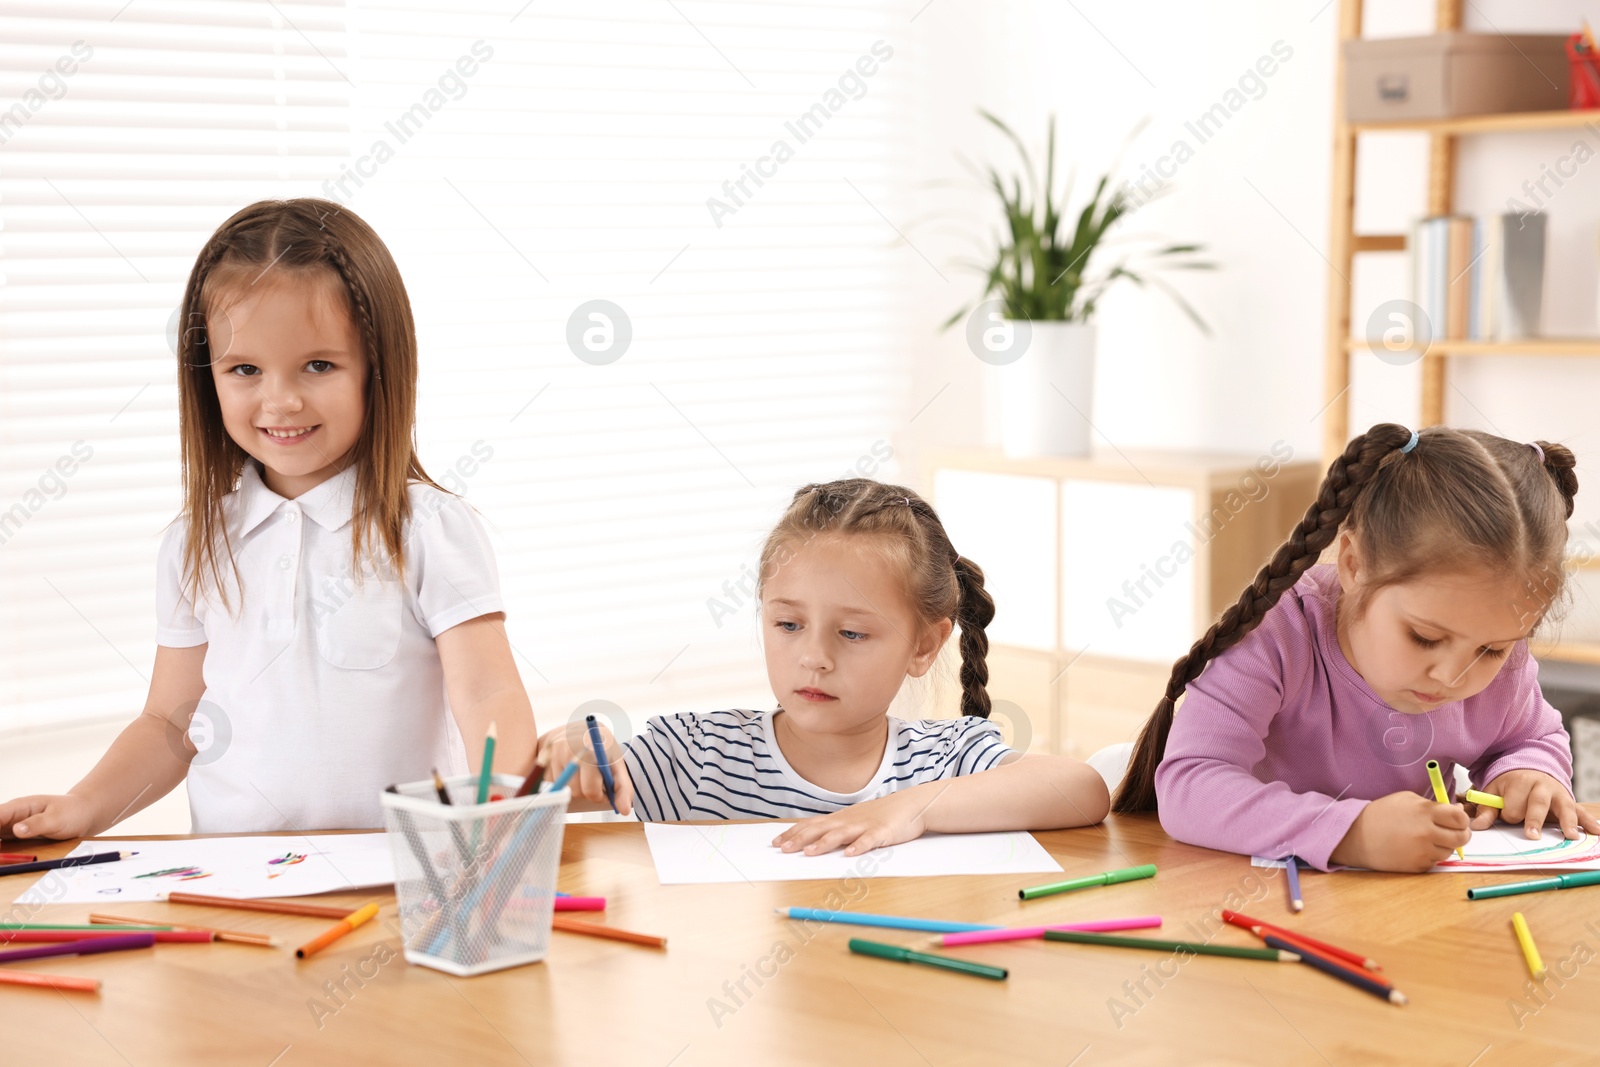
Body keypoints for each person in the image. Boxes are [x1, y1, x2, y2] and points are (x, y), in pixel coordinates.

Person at [0, 199, 535, 838]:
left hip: (398, 881)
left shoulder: (426, 528)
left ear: (378, 369)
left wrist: (506, 814)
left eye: (318, 365)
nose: (280, 400)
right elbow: (172, 725)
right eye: (245, 369)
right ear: (209, 379)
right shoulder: (195, 544)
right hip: (236, 888)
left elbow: (485, 696)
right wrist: (83, 806)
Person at [1114, 424, 1600, 872]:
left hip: (1405, 915)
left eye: (1491, 651)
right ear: (1354, 564)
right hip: (1258, 902)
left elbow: (1529, 738)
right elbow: (1191, 784)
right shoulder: (1275, 634)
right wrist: (1351, 833)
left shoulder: (1502, 655)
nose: (1454, 676)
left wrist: (1529, 773)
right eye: (1425, 638)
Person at [536, 478, 1109, 856]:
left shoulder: (947, 762)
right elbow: (528, 799)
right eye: (787, 625)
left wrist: (910, 809)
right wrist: (574, 749)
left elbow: (1082, 789)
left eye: (853, 633)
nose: (813, 657)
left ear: (924, 646)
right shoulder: (694, 755)